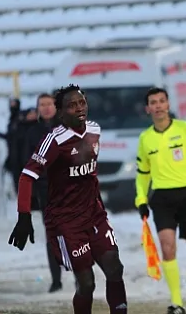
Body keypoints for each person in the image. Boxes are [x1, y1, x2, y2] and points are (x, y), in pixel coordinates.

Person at [8, 84, 128, 314]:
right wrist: (24, 217)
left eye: (82, 103)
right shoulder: (54, 139)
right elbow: (26, 176)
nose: (79, 108)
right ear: (61, 112)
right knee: (86, 283)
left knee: (114, 267)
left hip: (94, 214)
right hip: (66, 221)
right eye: (72, 105)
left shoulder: (94, 130)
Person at [135, 87, 186, 314]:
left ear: (168, 105)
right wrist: (140, 199)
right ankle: (177, 303)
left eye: (162, 101)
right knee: (167, 249)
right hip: (162, 200)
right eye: (153, 102)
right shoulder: (145, 138)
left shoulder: (185, 129)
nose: (158, 105)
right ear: (147, 108)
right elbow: (142, 174)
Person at [22, 92, 63, 293]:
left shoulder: (67, 129)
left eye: (50, 104)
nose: (46, 107)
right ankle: (56, 280)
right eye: (42, 104)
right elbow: (26, 163)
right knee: (52, 236)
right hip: (46, 190)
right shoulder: (33, 133)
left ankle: (81, 276)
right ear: (38, 108)